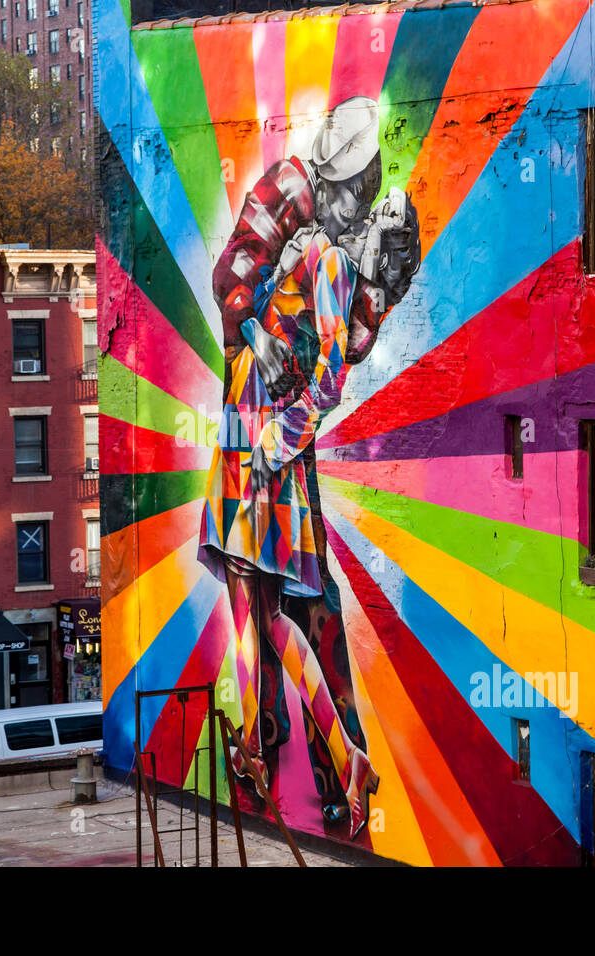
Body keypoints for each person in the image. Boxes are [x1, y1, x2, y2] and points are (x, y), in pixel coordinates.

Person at [199, 187, 421, 840]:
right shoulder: (336, 273)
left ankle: (251, 739)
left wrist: (270, 447)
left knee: (250, 604)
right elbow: (300, 353)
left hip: (261, 442)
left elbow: (322, 380)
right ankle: (339, 755)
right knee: (264, 616)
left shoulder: (331, 265)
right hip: (264, 436)